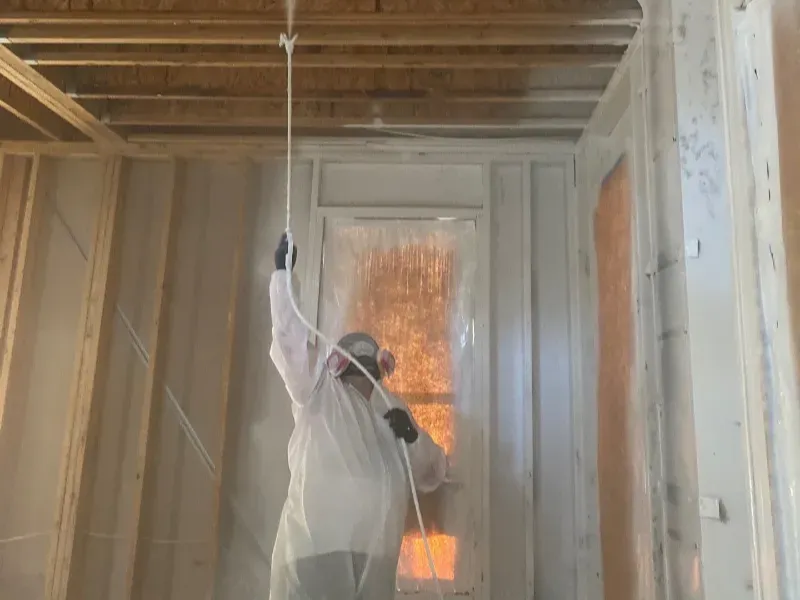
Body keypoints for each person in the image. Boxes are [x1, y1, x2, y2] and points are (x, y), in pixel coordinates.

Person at [268, 234, 447, 600]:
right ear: (338, 361)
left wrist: (412, 438)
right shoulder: (318, 392)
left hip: (375, 560)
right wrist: (283, 280)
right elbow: (291, 342)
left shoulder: (392, 411)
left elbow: (431, 473)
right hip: (315, 555)